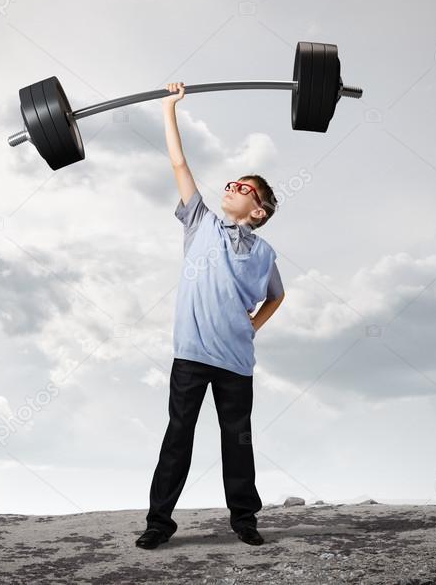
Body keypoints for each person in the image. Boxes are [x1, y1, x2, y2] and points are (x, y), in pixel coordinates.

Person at [136, 82, 285, 550]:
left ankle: (244, 520)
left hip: (236, 363)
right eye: (231, 182)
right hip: (192, 355)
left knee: (236, 441)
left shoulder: (265, 253)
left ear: (256, 210)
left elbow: (276, 297)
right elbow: (179, 163)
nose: (230, 188)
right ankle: (159, 523)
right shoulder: (201, 221)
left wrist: (251, 328)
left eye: (242, 188)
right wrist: (169, 107)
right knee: (177, 438)